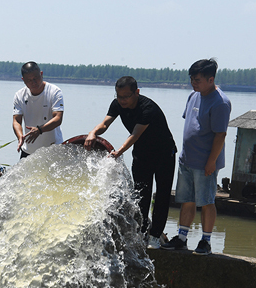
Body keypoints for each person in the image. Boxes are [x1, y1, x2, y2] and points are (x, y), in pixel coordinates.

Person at [84, 76, 176, 249]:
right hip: (142, 154)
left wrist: (119, 151)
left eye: (126, 96)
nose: (122, 100)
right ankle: (141, 233)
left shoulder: (147, 108)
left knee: (162, 195)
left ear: (137, 92)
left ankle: (155, 236)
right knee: (141, 195)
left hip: (164, 154)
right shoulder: (117, 104)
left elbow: (135, 134)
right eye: (119, 96)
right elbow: (105, 123)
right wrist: (93, 132)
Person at [162, 59, 231, 255]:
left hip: (205, 163)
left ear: (211, 79)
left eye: (198, 80)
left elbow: (221, 135)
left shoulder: (221, 103)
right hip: (187, 160)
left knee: (207, 201)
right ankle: (182, 238)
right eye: (192, 79)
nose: (194, 83)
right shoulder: (194, 96)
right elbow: (191, 124)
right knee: (187, 200)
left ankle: (206, 241)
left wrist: (211, 161)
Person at [12, 62, 64, 158]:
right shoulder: (19, 95)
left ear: (41, 74)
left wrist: (40, 130)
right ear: (23, 80)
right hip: (29, 150)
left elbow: (58, 118)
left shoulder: (55, 92)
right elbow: (16, 120)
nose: (34, 82)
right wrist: (20, 137)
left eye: (36, 78)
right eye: (29, 80)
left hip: (53, 148)